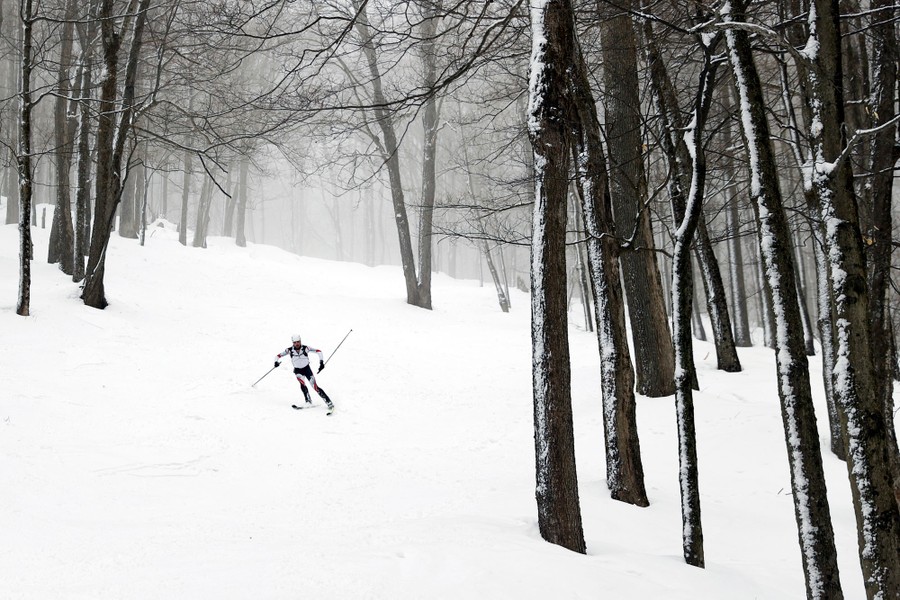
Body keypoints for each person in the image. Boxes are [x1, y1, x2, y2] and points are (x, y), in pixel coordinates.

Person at [275, 334, 334, 413]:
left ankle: (328, 402)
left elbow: (318, 351)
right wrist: (276, 362)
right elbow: (278, 356)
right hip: (298, 371)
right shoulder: (289, 350)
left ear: (300, 341)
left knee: (315, 386)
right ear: (293, 343)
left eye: (298, 342)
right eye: (295, 342)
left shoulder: (306, 348)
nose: (297, 344)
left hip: (307, 369)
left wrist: (321, 362)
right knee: (302, 385)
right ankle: (308, 401)